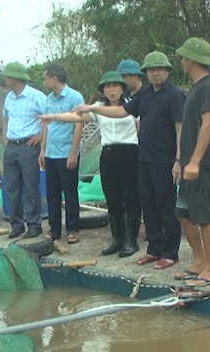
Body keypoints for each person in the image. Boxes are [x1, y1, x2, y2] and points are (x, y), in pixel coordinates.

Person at [74, 51, 185, 270]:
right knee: (149, 206)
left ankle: (171, 253)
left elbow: (180, 128)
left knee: (166, 206)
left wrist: (179, 159)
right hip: (144, 159)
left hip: (166, 160)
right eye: (150, 70)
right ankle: (154, 249)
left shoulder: (174, 95)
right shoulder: (144, 95)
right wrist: (93, 108)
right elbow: (121, 112)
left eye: (158, 69)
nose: (154, 73)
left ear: (167, 71)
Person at [40, 71, 142, 256]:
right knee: (113, 198)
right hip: (108, 154)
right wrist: (54, 117)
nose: (112, 90)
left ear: (122, 88)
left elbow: (139, 128)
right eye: (108, 87)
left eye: (116, 86)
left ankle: (131, 241)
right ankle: (117, 239)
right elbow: (76, 117)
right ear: (103, 90)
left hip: (129, 153)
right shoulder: (98, 107)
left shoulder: (131, 106)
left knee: (131, 198)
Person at [173, 38, 210, 286]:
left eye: (183, 57)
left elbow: (208, 124)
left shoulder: (208, 87)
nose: (181, 61)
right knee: (183, 213)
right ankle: (200, 262)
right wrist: (180, 160)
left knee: (204, 216)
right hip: (189, 164)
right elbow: (188, 129)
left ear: (192, 59)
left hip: (203, 164)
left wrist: (195, 162)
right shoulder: (194, 88)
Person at [1, 61, 46, 239]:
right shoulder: (9, 97)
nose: (5, 80)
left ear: (16, 78)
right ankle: (17, 224)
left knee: (30, 186)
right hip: (12, 146)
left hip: (29, 146)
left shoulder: (36, 97)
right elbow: (5, 116)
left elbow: (49, 118)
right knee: (11, 187)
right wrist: (4, 135)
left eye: (7, 77)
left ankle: (34, 224)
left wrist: (41, 136)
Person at [40, 64, 85, 244]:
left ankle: (73, 229)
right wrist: (42, 150)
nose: (44, 82)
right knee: (52, 193)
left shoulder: (75, 97)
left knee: (70, 192)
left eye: (45, 78)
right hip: (51, 152)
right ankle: (55, 229)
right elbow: (46, 125)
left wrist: (73, 153)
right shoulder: (49, 99)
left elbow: (78, 125)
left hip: (67, 152)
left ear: (54, 79)